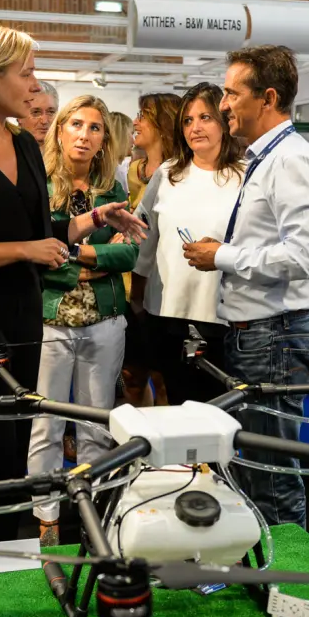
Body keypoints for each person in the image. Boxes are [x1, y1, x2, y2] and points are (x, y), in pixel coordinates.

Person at [0, 24, 144, 544]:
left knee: (17, 444)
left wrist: (96, 218)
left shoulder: (22, 142)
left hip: (20, 315)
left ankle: (4, 556)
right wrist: (24, 251)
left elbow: (44, 234)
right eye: (27, 73)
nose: (36, 85)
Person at [182, 45, 309, 527]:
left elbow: (307, 256)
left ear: (267, 98)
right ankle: (266, 565)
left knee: (273, 479)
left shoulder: (291, 160)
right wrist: (225, 249)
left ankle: (286, 573)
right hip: (262, 337)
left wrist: (223, 256)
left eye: (231, 93)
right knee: (259, 472)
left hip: (275, 337)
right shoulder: (269, 159)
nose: (224, 104)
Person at [28, 95, 136, 546]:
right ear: (60, 130)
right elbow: (37, 253)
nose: (84, 135)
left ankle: (93, 513)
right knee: (47, 426)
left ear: (104, 139)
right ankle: (47, 518)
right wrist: (91, 259)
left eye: (94, 128)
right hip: (51, 320)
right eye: (76, 124)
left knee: (95, 425)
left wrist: (75, 253)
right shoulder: (38, 184)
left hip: (104, 320)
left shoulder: (113, 190)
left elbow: (130, 253)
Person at [132, 83, 244, 405]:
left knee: (219, 408)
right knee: (175, 403)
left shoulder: (246, 176)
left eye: (205, 117)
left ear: (224, 121)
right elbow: (144, 238)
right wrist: (136, 298)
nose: (195, 127)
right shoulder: (168, 173)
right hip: (166, 312)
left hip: (222, 316)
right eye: (187, 120)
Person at [122, 92, 182, 406]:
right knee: (131, 377)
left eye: (143, 115)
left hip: (163, 288)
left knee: (164, 378)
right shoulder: (133, 171)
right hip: (128, 286)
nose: (136, 122)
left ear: (163, 123)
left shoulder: (182, 173)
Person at [17, 80, 58, 146]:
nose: (44, 121)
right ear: (19, 117)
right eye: (36, 112)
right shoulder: (5, 149)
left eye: (51, 112)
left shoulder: (66, 150)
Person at [109, 111, 134, 189]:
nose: (133, 140)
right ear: (121, 135)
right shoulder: (110, 174)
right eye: (131, 133)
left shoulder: (117, 170)